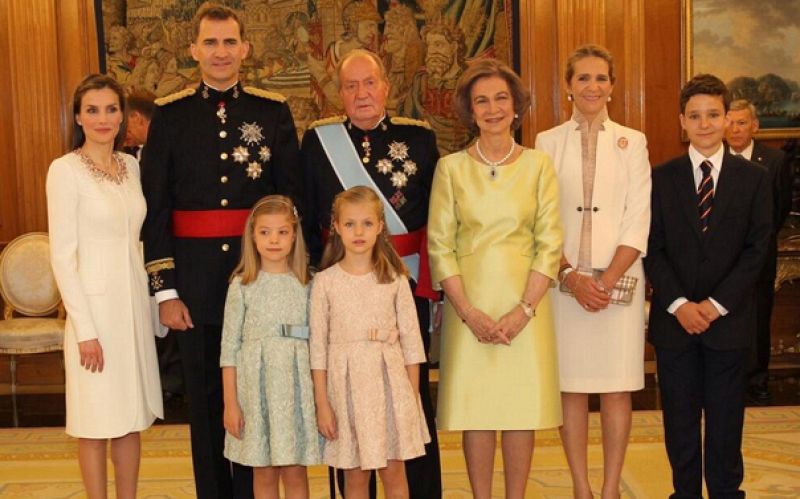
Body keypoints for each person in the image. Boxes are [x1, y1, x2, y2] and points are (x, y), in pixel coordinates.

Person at [140, 3, 303, 498]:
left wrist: (292, 278)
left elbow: (291, 200)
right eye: (210, 42)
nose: (220, 52)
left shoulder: (272, 112)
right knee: (208, 404)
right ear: (193, 50)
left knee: (257, 398)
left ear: (245, 49)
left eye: (230, 41)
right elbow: (156, 209)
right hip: (195, 283)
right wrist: (165, 291)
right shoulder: (170, 116)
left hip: (259, 281)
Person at [301, 48, 442, 499]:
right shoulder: (319, 142)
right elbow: (308, 215)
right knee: (350, 424)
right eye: (351, 86)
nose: (361, 94)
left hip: (405, 281)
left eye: (369, 83)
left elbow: (438, 215)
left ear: (386, 87)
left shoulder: (418, 138)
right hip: (341, 284)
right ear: (339, 93)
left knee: (407, 406)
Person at [428, 58, 562, 499]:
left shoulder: (539, 165)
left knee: (521, 410)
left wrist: (524, 309)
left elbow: (550, 243)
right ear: (470, 110)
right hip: (470, 306)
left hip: (527, 306)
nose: (493, 109)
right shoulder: (451, 168)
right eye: (482, 101)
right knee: (478, 410)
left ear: (516, 105)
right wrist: (468, 313)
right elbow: (440, 246)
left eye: (501, 98)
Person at [644, 74, 772, 499]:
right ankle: (684, 494)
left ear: (727, 118)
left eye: (713, 115)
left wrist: (716, 305)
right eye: (695, 116)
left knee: (725, 423)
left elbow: (757, 249)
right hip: (675, 323)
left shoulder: (753, 178)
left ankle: (726, 493)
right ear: (682, 121)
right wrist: (680, 303)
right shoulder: (660, 178)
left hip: (728, 323)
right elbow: (652, 248)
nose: (704, 124)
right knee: (680, 423)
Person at [534, 44, 651, 499]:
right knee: (572, 390)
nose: (592, 86)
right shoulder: (546, 142)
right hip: (565, 285)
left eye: (601, 78)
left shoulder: (632, 141)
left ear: (613, 86)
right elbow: (542, 219)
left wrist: (604, 282)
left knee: (618, 388)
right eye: (583, 77)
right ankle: (582, 487)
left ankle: (610, 488)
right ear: (568, 86)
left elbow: (638, 218)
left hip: (618, 283)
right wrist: (571, 277)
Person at [46, 74, 163, 499]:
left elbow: (138, 242)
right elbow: (63, 257)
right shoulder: (64, 171)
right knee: (95, 422)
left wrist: (153, 306)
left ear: (123, 116)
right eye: (92, 110)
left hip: (131, 310)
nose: (103, 119)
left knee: (131, 419)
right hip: (93, 316)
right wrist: (85, 330)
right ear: (78, 117)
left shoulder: (131, 166)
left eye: (111, 109)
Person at [309, 186, 430, 499]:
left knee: (394, 473)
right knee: (355, 477)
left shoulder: (396, 278)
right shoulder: (324, 282)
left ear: (380, 227)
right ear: (336, 227)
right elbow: (317, 350)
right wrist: (322, 403)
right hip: (345, 391)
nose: (359, 232)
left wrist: (410, 399)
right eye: (350, 224)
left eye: (366, 223)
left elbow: (412, 344)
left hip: (390, 388)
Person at [220, 195, 321, 498]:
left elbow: (319, 344)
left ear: (294, 235)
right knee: (263, 472)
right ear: (252, 236)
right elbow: (229, 349)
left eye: (282, 232)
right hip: (255, 392)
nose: (274, 240)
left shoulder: (309, 283)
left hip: (296, 389)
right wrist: (230, 403)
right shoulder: (242, 285)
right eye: (265, 232)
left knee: (295, 470)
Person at [725, 99, 791, 403]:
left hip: (759, 255)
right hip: (720, 257)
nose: (735, 129)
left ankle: (757, 379)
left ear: (755, 126)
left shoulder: (775, 160)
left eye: (742, 123)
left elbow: (780, 207)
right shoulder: (714, 158)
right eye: (730, 122)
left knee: (758, 318)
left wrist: (755, 244)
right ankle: (725, 378)